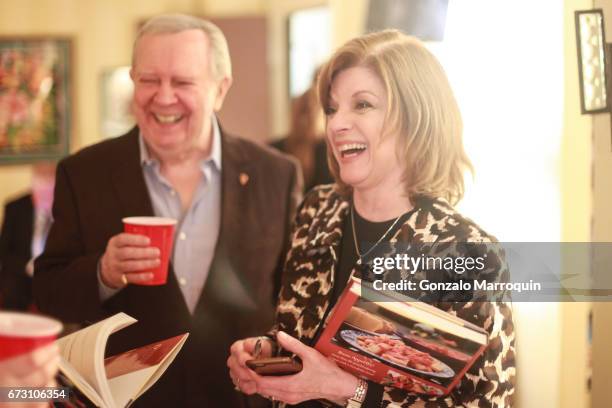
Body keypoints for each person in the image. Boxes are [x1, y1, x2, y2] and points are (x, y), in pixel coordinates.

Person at [228, 30, 515, 407]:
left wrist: (347, 390)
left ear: (416, 117)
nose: (335, 124)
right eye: (332, 109)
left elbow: (483, 402)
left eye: (362, 105)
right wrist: (265, 351)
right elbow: (294, 331)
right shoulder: (318, 210)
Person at [34, 14, 301, 408]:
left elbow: (294, 304)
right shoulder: (83, 173)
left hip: (240, 400)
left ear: (220, 89)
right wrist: (103, 272)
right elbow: (49, 293)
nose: (163, 97)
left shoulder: (275, 174)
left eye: (182, 82)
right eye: (149, 80)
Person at [0, 162, 56, 311]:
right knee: (11, 285)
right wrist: (27, 266)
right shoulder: (15, 207)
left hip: (54, 274)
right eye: (41, 179)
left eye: (50, 180)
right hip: (22, 275)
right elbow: (4, 251)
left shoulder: (65, 208)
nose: (45, 186)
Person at [271, 84, 333, 192]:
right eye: (304, 111)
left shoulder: (273, 150)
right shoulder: (329, 151)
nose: (305, 119)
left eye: (308, 111)